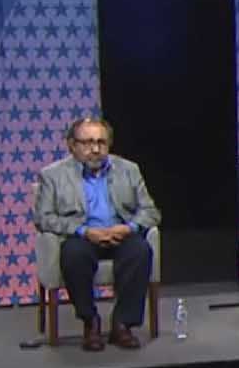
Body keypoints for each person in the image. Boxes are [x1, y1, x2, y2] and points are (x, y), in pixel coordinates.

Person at [32, 116, 162, 352]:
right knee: (73, 255)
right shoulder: (53, 175)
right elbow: (43, 217)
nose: (95, 149)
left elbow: (151, 212)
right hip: (82, 236)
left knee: (140, 250)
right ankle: (90, 322)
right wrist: (84, 231)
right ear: (72, 145)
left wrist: (129, 228)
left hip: (119, 233)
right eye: (87, 142)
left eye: (101, 142)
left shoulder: (128, 170)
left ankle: (122, 324)